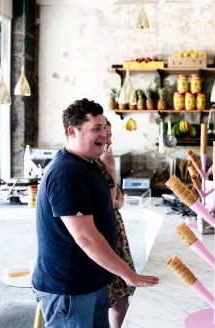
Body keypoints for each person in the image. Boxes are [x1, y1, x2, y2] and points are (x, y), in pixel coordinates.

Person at [32, 98, 158, 328]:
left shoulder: (87, 165)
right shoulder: (67, 173)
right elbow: (86, 237)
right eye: (96, 129)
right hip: (69, 290)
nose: (105, 136)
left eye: (105, 129)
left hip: (93, 283)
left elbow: (109, 206)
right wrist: (129, 274)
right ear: (73, 131)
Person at [95, 120, 135, 328]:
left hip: (116, 235)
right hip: (104, 238)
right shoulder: (95, 165)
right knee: (111, 297)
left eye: (110, 136)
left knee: (120, 295)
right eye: (104, 135)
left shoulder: (101, 163)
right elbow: (112, 202)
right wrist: (111, 167)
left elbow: (118, 199)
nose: (108, 141)